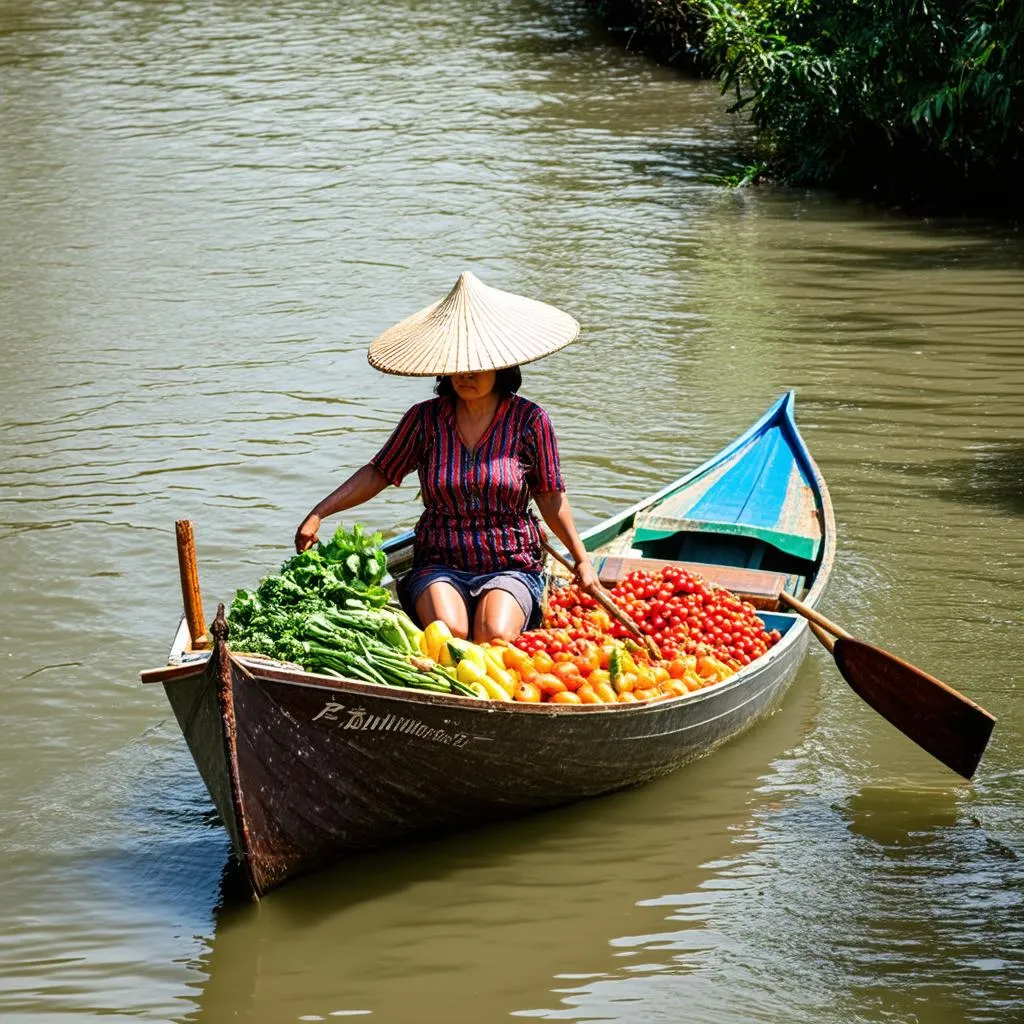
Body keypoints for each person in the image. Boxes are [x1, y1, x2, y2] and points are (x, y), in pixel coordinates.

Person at [294, 271, 598, 644]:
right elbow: (379, 472)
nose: (465, 374)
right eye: (457, 364)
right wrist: (319, 512)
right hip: (440, 562)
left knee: (495, 634)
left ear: (501, 364)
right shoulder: (424, 420)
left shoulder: (530, 421)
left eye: (477, 364)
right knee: (449, 634)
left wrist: (581, 558)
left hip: (510, 562)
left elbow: (550, 496)